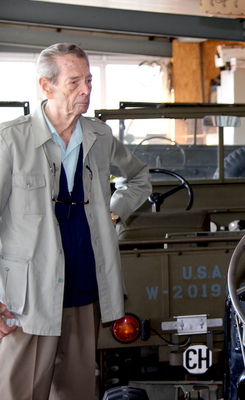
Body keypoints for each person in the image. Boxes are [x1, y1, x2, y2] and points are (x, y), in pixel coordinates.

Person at [0, 43, 151, 400]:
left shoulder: (99, 136)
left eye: (88, 80)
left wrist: (113, 212)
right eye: (74, 82)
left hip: (84, 289)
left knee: (78, 393)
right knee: (18, 393)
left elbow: (140, 178)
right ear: (46, 86)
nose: (85, 90)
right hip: (28, 299)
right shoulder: (10, 141)